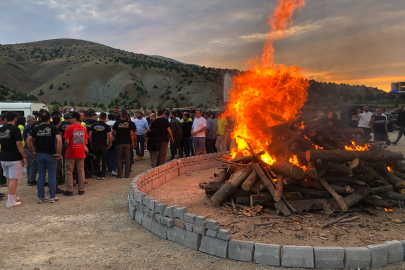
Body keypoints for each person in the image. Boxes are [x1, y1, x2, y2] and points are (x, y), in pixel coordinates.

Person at [26, 111, 62, 204]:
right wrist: (58, 152)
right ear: (50, 118)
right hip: (51, 154)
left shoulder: (36, 128)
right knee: (52, 176)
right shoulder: (53, 128)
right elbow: (59, 140)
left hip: (40, 154)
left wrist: (32, 152)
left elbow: (27, 141)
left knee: (41, 176)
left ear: (40, 119)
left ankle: (41, 197)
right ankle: (52, 197)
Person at [0, 111, 27, 208]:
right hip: (14, 158)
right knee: (13, 179)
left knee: (8, 178)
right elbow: (19, 144)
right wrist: (24, 156)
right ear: (15, 119)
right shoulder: (15, 129)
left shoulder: (2, 129)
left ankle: (13, 196)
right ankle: (10, 201)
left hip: (3, 157)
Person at [63, 112, 88, 196]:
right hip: (80, 151)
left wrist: (68, 146)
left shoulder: (69, 128)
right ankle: (81, 189)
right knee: (81, 170)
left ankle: (69, 190)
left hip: (71, 152)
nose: (69, 119)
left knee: (69, 171)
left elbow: (67, 141)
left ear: (74, 118)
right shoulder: (83, 128)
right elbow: (85, 141)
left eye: (70, 118)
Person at [113, 110, 136, 178]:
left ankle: (120, 174)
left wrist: (117, 137)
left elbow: (113, 133)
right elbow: (131, 134)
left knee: (119, 158)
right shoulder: (129, 123)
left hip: (119, 143)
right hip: (128, 143)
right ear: (126, 116)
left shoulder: (117, 123)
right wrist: (133, 142)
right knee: (127, 159)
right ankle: (127, 174)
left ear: (120, 116)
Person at [89, 112, 112, 180]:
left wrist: (91, 144)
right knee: (104, 160)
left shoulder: (93, 125)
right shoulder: (107, 126)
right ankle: (103, 175)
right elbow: (110, 137)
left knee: (96, 160)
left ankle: (98, 175)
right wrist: (109, 144)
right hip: (103, 145)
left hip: (95, 145)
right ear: (105, 118)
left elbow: (90, 136)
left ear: (99, 117)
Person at [23, 115, 38, 186]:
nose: (35, 120)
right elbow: (30, 138)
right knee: (33, 163)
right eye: (33, 119)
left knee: (29, 164)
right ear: (29, 121)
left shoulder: (26, 127)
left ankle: (29, 177)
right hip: (29, 148)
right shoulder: (29, 128)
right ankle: (31, 179)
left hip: (26, 148)